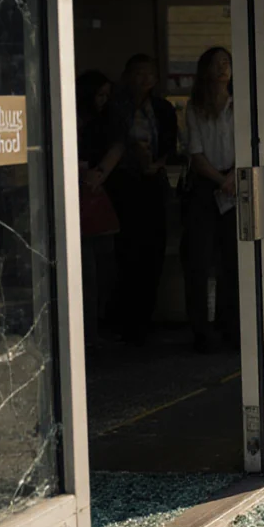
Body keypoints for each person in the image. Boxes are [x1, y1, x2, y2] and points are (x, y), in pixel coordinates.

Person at [106, 54, 178, 344]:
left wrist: (156, 164)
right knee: (126, 253)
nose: (144, 79)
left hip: (153, 183)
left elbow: (171, 143)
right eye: (138, 73)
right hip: (123, 185)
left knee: (153, 251)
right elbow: (112, 142)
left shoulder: (162, 108)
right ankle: (126, 321)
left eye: (149, 73)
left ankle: (145, 319)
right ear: (126, 76)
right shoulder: (116, 107)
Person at [181, 48, 240, 353]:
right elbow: (195, 154)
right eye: (216, 64)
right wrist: (221, 180)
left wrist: (233, 178)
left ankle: (231, 327)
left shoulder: (239, 105)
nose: (222, 69)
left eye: (226, 63)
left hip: (236, 181)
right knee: (200, 261)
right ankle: (201, 331)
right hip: (207, 186)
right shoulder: (195, 108)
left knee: (233, 259)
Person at [76, 70, 125, 351]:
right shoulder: (73, 119)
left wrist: (100, 174)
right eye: (99, 95)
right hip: (79, 192)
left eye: (107, 95)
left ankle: (97, 325)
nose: (103, 101)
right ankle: (88, 330)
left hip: (99, 190)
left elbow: (117, 146)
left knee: (103, 267)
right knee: (87, 272)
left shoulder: (108, 121)